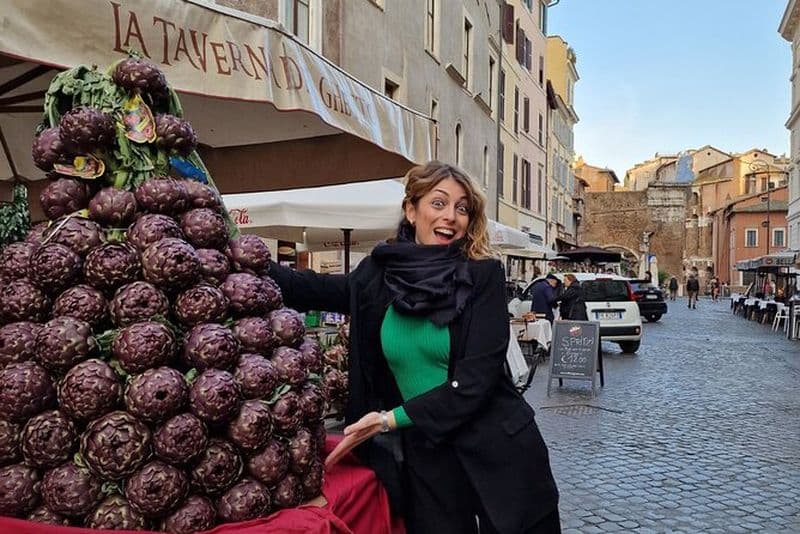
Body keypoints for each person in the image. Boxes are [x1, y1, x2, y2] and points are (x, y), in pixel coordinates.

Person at [268, 161, 560, 534]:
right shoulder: (379, 274)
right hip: (427, 455)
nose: (451, 216)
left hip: (500, 450)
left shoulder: (483, 276)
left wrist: (388, 420)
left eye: (462, 207)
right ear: (411, 210)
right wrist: (240, 254)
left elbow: (474, 382)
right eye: (438, 203)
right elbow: (310, 288)